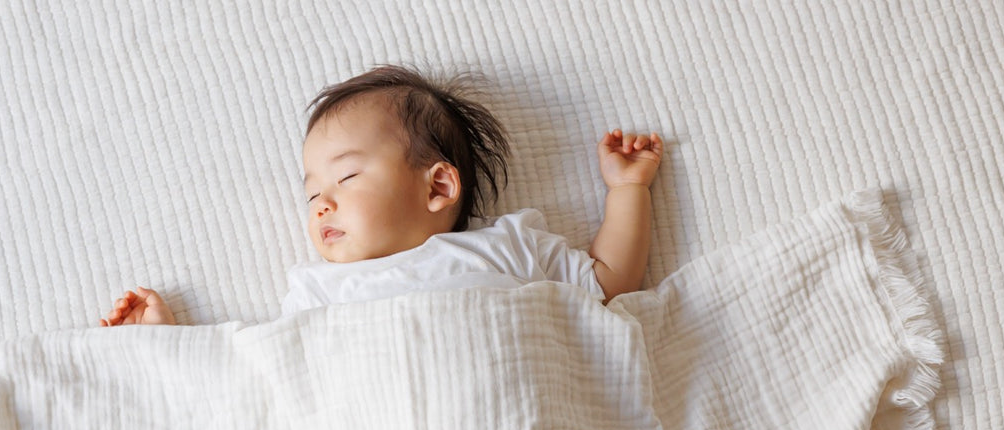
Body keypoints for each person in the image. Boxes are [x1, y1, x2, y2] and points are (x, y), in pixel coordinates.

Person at [99, 65, 663, 327]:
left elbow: (608, 282)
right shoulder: (316, 292)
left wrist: (628, 188)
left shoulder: (506, 247)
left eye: (345, 179)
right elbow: (261, 383)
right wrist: (164, 341)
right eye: (313, 192)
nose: (321, 203)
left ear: (438, 186)